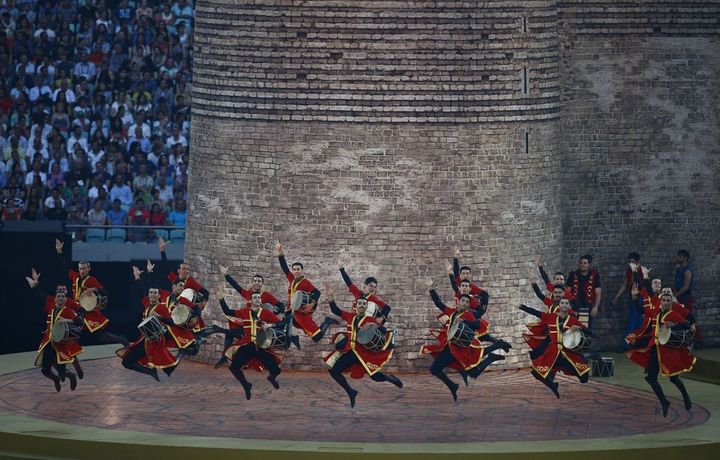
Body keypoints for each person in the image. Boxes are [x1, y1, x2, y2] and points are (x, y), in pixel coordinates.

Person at [421, 282, 508, 401]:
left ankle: (494, 350)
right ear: (459, 302)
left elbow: (477, 324)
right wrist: (431, 289)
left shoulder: (469, 315)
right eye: (463, 301)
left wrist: (466, 323)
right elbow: (438, 303)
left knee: (473, 373)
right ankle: (452, 385)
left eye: (467, 302)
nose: (465, 303)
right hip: (451, 347)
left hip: (464, 349)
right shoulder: (451, 312)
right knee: (434, 369)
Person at [323, 286, 403, 408]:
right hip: (352, 352)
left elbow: (383, 330)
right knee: (334, 371)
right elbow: (336, 310)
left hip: (365, 354)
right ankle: (351, 392)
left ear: (366, 307)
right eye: (359, 303)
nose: (361, 305)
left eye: (363, 304)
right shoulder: (350, 316)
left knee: (376, 377)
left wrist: (375, 326)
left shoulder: (370, 319)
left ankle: (389, 378)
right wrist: (330, 297)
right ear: (356, 305)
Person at [625, 291, 696, 417]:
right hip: (655, 348)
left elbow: (687, 326)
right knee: (651, 378)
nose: (666, 303)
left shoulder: (674, 314)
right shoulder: (657, 313)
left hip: (668, 351)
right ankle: (664, 402)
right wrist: (635, 298)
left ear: (671, 302)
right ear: (661, 301)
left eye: (669, 301)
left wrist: (673, 325)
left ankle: (685, 395)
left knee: (674, 378)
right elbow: (643, 311)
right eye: (664, 300)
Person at [518, 299, 593, 398]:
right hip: (553, 352)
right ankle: (553, 385)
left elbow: (585, 329)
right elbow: (536, 313)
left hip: (567, 353)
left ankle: (591, 357)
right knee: (537, 373)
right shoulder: (551, 317)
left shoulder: (572, 320)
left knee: (584, 378)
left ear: (569, 306)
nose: (564, 305)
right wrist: (522, 307)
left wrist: (580, 328)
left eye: (567, 303)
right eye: (562, 303)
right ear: (559, 305)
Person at [116, 265, 180, 380]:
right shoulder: (147, 304)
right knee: (127, 362)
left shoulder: (162, 308)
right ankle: (150, 372)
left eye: (155, 293)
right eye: (151, 293)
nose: (153, 295)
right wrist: (137, 278)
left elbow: (173, 322)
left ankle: (153, 371)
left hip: (154, 342)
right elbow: (141, 293)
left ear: (159, 295)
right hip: (144, 340)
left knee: (128, 361)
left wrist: (161, 317)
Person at [222, 292, 284, 400]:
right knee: (234, 367)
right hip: (247, 344)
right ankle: (246, 385)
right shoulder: (244, 312)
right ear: (250, 301)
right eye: (254, 297)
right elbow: (227, 311)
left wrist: (271, 324)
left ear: (261, 301)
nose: (257, 299)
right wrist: (221, 299)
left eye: (259, 298)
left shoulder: (266, 313)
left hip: (262, 345)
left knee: (276, 370)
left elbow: (282, 323)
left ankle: (271, 378)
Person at [274, 240, 337, 341]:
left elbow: (317, 292)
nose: (296, 271)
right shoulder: (291, 278)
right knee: (282, 327)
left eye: (298, 269)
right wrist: (280, 253)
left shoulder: (305, 282)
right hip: (291, 311)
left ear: (301, 270)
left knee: (317, 337)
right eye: (294, 269)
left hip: (300, 313)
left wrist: (311, 304)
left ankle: (327, 322)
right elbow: (284, 268)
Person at [33, 288, 83, 392]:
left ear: (65, 300)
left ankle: (71, 375)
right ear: (55, 299)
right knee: (45, 370)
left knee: (62, 373)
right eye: (58, 296)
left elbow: (79, 322)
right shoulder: (51, 309)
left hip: (60, 346)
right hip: (48, 343)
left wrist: (67, 320)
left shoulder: (68, 311)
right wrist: (36, 285)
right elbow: (43, 296)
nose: (60, 298)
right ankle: (55, 379)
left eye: (63, 296)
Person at [565, 254, 601, 329]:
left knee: (586, 328)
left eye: (585, 263)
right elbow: (567, 291)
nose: (582, 265)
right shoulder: (573, 275)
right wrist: (569, 307)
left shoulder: (594, 275)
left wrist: (596, 307)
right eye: (581, 263)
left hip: (588, 305)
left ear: (589, 265)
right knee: (574, 328)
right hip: (575, 305)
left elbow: (598, 292)